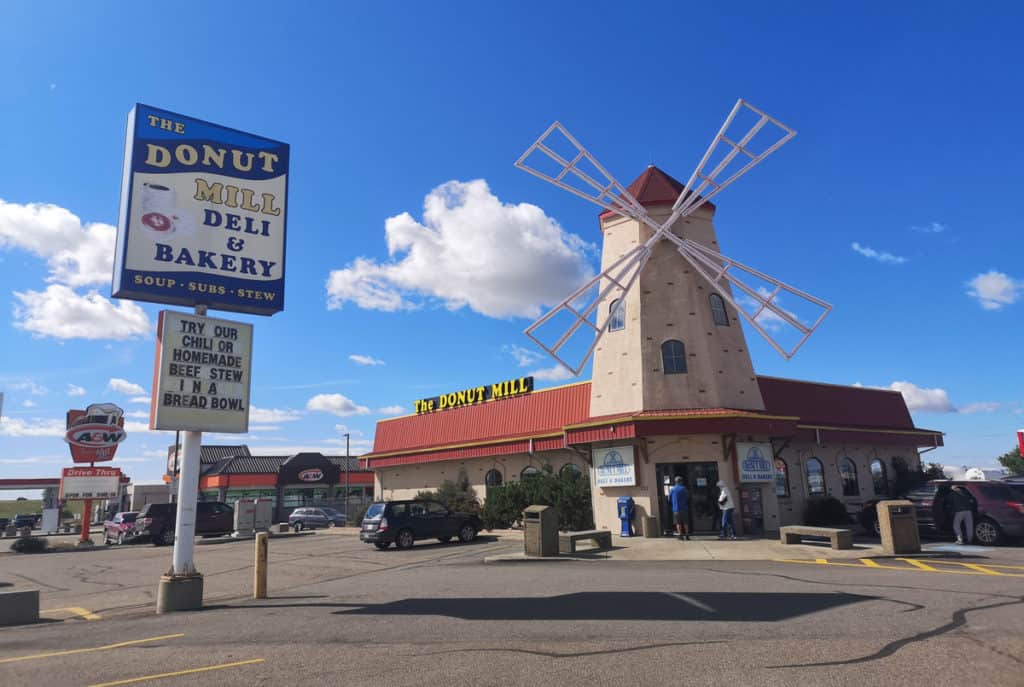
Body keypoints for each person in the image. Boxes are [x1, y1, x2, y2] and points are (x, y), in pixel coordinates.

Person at [669, 476, 690, 541]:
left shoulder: (672, 489)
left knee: (678, 523)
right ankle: (687, 535)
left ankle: (680, 535)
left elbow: (669, 499)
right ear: (681, 481)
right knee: (685, 523)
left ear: (675, 481)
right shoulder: (684, 488)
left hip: (676, 509)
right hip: (684, 508)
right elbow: (687, 497)